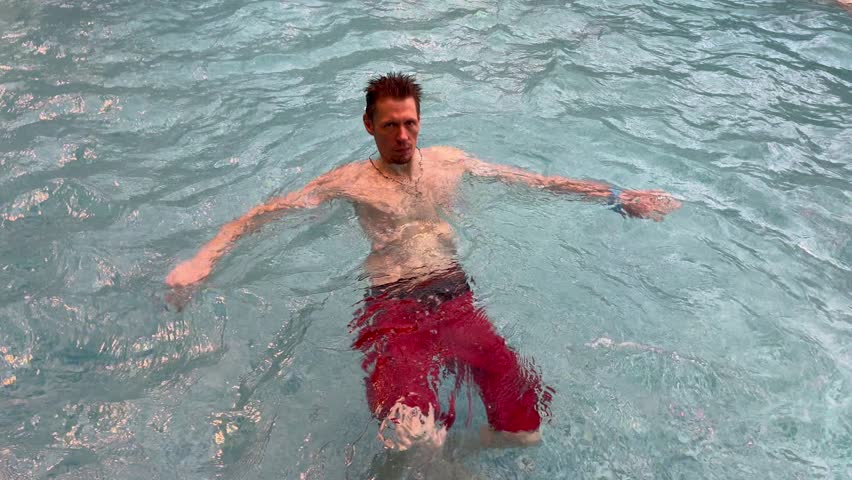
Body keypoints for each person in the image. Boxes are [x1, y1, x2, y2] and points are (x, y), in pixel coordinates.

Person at [165, 72, 680, 451]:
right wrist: (203, 258)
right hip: (392, 305)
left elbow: (535, 182)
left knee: (526, 431)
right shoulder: (350, 181)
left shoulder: (451, 164)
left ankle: (458, 453)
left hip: (457, 299)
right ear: (368, 124)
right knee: (408, 439)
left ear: (420, 120)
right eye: (389, 125)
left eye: (410, 123)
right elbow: (264, 214)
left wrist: (616, 195)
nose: (403, 136)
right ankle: (431, 457)